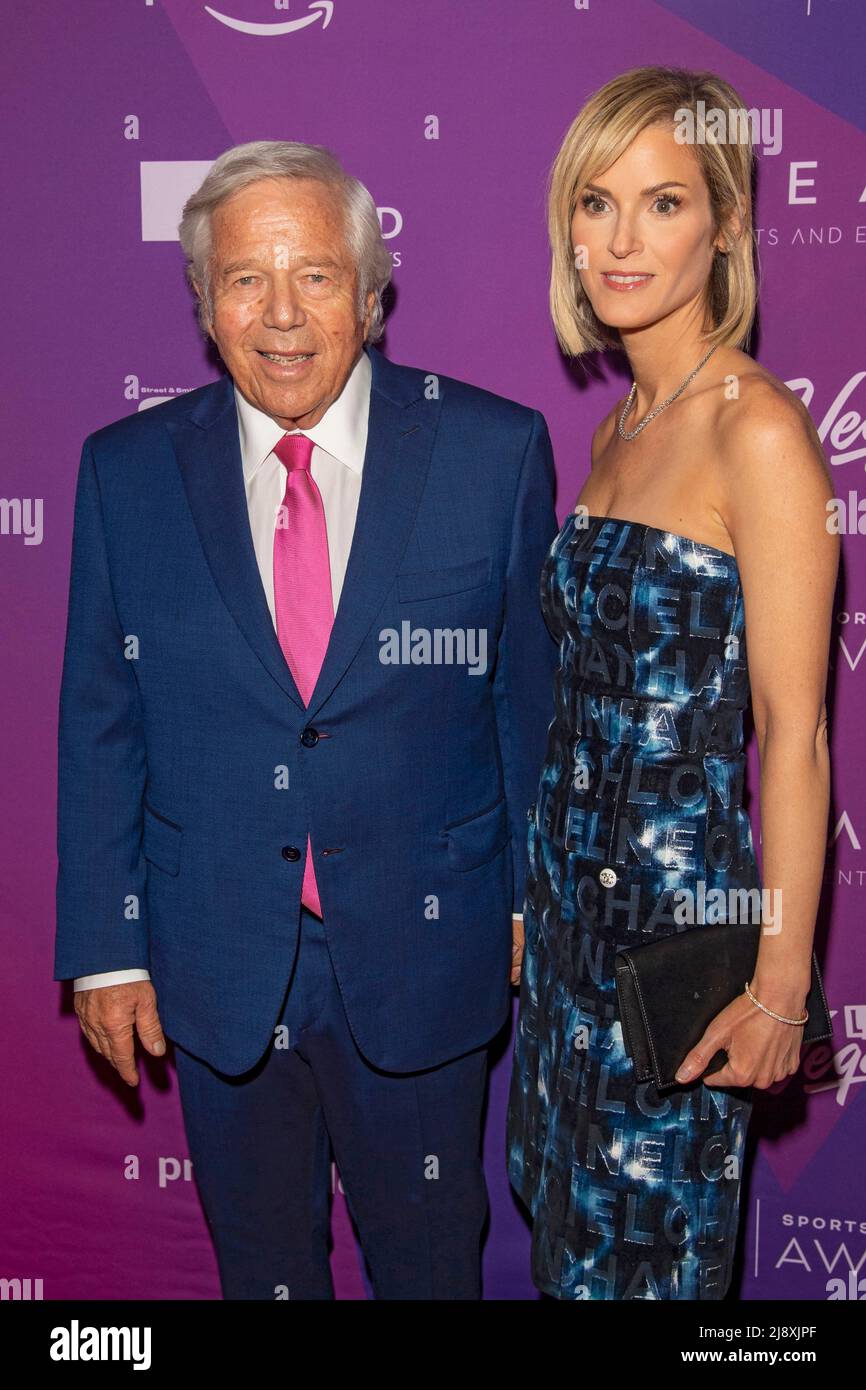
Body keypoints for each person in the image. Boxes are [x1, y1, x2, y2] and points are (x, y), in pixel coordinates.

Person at [54, 140, 560, 1299]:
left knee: (431, 1269)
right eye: (244, 278)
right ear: (201, 300)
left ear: (371, 292)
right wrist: (106, 945)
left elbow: (525, 703)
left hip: (427, 951)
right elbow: (101, 718)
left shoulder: (490, 451)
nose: (280, 313)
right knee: (264, 1275)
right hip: (218, 957)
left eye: (316, 276)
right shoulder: (126, 472)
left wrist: (532, 897)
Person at [506, 66, 839, 1301]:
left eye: (660, 203)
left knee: (642, 1274)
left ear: (726, 224)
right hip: (570, 938)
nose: (619, 240)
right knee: (564, 1247)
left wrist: (778, 985)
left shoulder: (757, 431)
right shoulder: (620, 426)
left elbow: (792, 735)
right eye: (594, 204)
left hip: (675, 963)